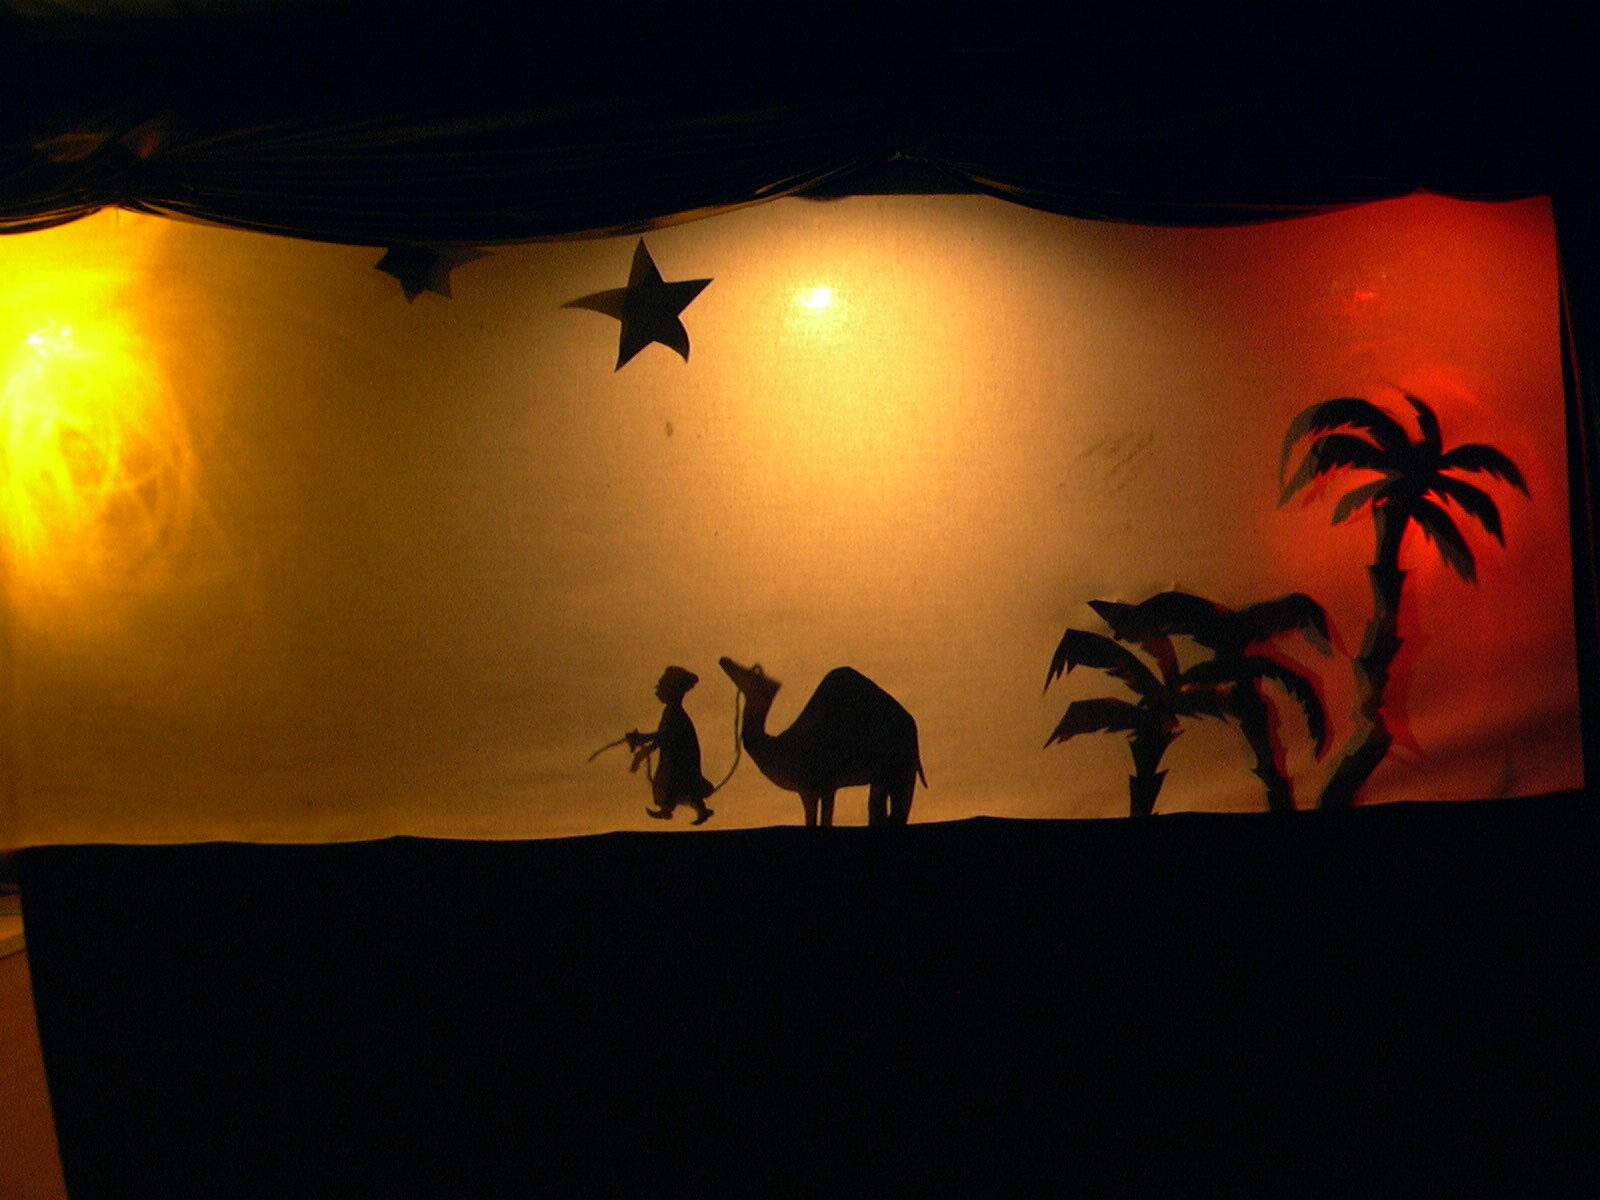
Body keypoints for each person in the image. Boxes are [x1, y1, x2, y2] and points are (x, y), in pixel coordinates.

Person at [626, 666, 715, 825]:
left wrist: (642, 741)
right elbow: (662, 737)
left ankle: (687, 809)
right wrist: (644, 745)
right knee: (678, 783)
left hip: (679, 757)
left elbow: (663, 736)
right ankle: (670, 809)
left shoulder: (675, 713)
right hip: (674, 756)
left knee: (679, 782)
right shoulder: (672, 712)